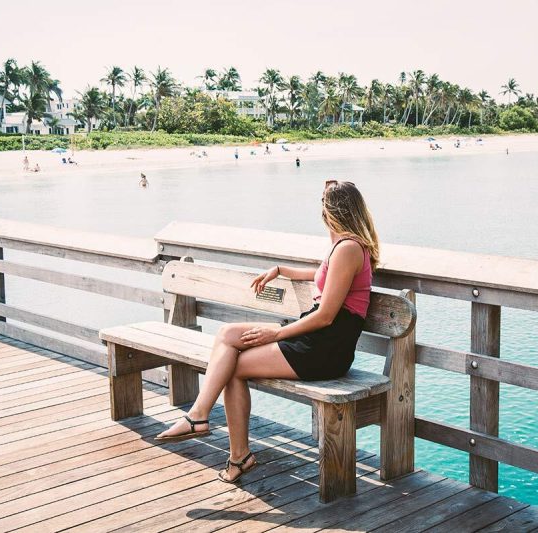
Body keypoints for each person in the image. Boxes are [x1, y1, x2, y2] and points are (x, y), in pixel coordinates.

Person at [155, 180, 379, 483]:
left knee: (234, 366)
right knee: (228, 334)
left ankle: (231, 448)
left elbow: (326, 316)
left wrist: (275, 334)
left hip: (326, 348)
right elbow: (324, 276)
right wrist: (281, 270)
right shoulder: (345, 247)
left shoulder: (348, 248)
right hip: (317, 339)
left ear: (331, 211)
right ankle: (201, 418)